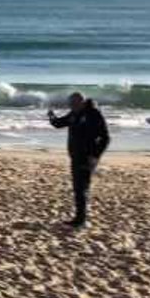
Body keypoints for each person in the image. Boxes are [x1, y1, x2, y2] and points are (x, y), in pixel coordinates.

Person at [49, 92, 110, 228]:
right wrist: (51, 115)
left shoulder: (93, 114)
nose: (72, 107)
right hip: (75, 156)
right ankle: (79, 218)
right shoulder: (74, 113)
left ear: (81, 102)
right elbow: (59, 124)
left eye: (74, 104)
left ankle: (81, 220)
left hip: (87, 157)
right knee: (78, 188)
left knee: (81, 188)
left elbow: (105, 137)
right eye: (70, 104)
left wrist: (95, 156)